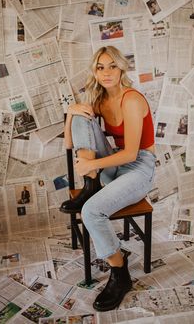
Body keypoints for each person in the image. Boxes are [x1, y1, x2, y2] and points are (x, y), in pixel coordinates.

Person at [60, 46, 156, 311]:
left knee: (91, 213)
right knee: (82, 115)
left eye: (112, 65)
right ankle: (91, 184)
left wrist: (92, 163)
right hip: (114, 164)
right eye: (100, 67)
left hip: (138, 169)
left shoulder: (132, 99)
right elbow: (69, 143)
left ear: (121, 67)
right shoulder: (100, 100)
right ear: (95, 71)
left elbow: (131, 153)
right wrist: (70, 113)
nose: (106, 72)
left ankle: (120, 273)